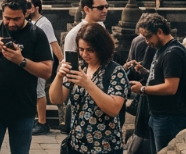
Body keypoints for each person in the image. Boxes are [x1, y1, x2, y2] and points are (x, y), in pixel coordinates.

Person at [0, 0, 53, 154]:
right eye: (7, 18)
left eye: (17, 19)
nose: (11, 23)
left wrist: (22, 61)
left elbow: (47, 71)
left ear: (26, 13)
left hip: (23, 111)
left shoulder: (36, 34)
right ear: (1, 13)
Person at [49, 24, 128, 154]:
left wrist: (88, 84)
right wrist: (59, 76)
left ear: (101, 48)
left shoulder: (115, 71)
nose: (84, 54)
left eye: (90, 50)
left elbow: (114, 109)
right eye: (81, 49)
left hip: (104, 147)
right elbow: (56, 98)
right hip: (76, 144)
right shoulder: (80, 68)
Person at [129, 14, 186, 154]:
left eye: (147, 37)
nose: (146, 42)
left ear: (159, 31)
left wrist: (142, 89)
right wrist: (145, 71)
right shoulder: (162, 49)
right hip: (158, 115)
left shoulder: (173, 53)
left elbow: (171, 88)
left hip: (170, 117)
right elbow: (162, 77)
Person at [25, 0, 63, 136]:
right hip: (35, 61)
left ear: (35, 7)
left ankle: (42, 122)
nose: (26, 9)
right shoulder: (33, 22)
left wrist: (61, 61)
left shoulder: (44, 23)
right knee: (35, 91)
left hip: (43, 62)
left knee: (40, 92)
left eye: (28, 5)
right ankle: (38, 119)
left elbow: (54, 43)